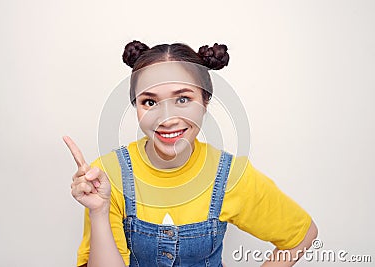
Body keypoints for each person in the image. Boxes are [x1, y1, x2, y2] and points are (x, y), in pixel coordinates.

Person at [63, 40, 318, 267]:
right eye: (150, 102)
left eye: (183, 99)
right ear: (136, 107)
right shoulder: (108, 175)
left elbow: (302, 235)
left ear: (205, 101)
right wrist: (98, 211)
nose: (167, 119)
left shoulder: (229, 175)